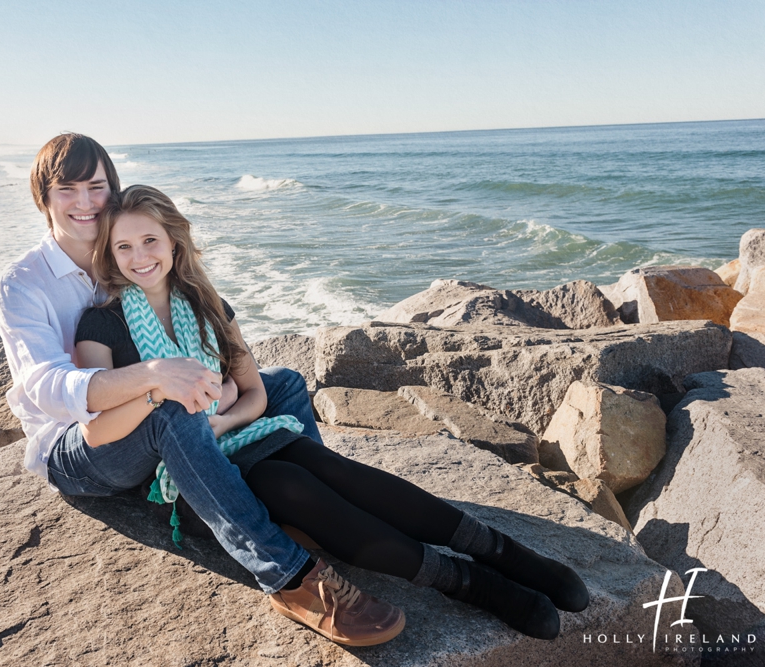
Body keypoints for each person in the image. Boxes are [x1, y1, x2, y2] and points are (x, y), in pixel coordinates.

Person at [68, 183, 589, 643]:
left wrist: (224, 419)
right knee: (294, 490)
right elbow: (97, 430)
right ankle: (472, 584)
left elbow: (255, 393)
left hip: (240, 438)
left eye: (150, 240)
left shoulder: (206, 304)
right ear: (110, 256)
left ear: (174, 241)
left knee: (331, 472)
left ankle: (507, 554)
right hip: (187, 481)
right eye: (125, 246)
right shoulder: (102, 324)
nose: (140, 256)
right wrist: (161, 390)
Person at [0, 133, 402, 647]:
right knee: (172, 411)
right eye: (66, 190)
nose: (83, 203)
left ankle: (307, 507)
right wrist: (157, 376)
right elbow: (49, 388)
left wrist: (220, 391)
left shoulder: (123, 251)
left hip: (158, 415)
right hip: (78, 448)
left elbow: (196, 331)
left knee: (284, 384)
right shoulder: (22, 283)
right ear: (42, 198)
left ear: (112, 191)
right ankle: (287, 576)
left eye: (95, 187)